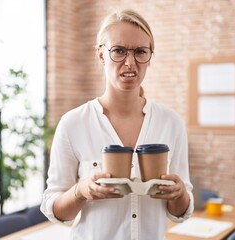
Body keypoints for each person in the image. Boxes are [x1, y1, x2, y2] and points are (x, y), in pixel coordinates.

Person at [41, 9, 194, 240]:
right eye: (119, 51)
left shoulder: (171, 123)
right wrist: (81, 191)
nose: (130, 62)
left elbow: (180, 212)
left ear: (150, 57)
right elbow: (55, 209)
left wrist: (179, 193)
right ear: (101, 54)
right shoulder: (73, 123)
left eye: (140, 52)